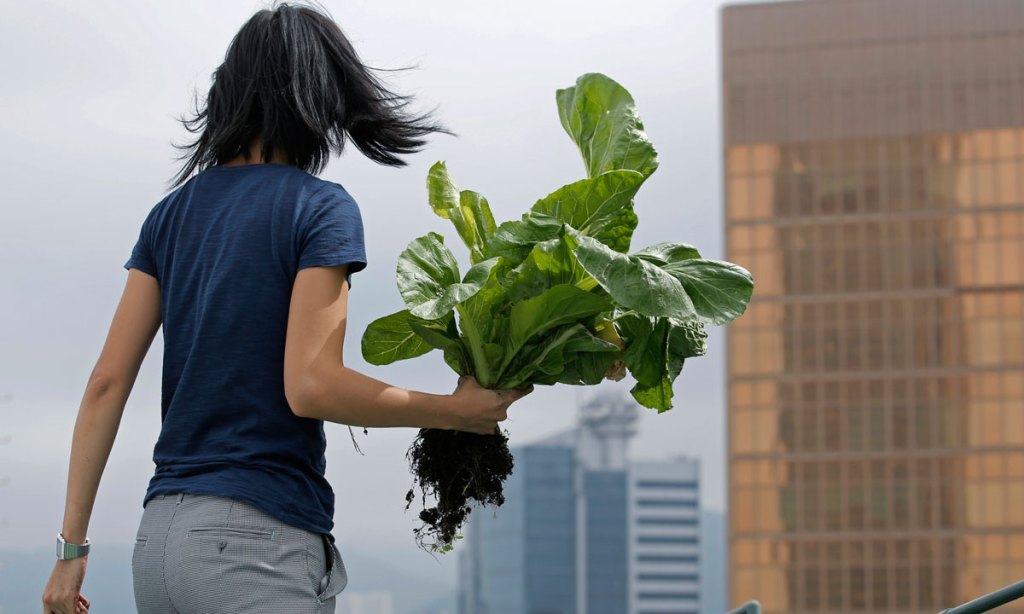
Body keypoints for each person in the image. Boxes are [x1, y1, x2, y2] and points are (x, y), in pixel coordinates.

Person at [41, 3, 532, 613]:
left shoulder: (168, 216)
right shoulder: (319, 209)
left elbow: (105, 384)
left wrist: (70, 552)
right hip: (255, 545)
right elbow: (311, 386)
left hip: (160, 545)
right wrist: (455, 413)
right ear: (320, 99)